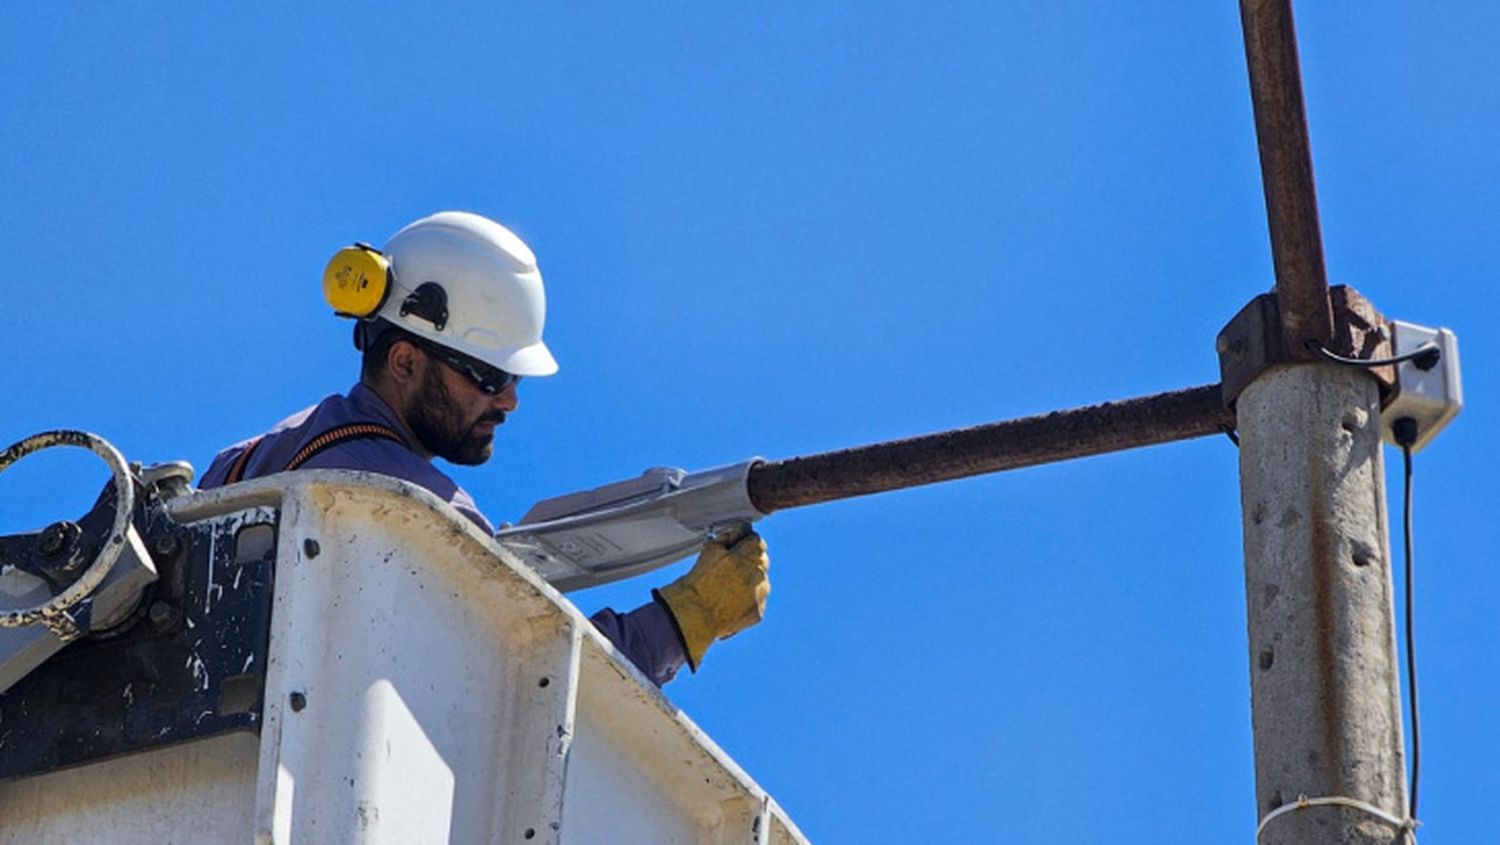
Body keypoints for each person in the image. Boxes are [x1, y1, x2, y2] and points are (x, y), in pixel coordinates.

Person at [200, 210, 770, 686]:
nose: (509, 402)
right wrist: (684, 620)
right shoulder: (416, 507)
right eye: (490, 377)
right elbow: (532, 686)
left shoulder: (241, 463)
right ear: (405, 362)